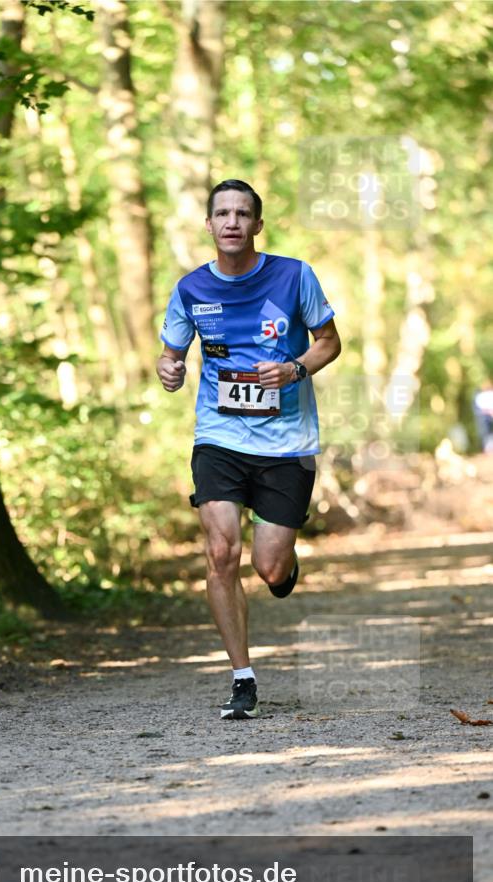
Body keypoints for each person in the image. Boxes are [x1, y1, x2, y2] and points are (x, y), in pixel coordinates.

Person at [156, 179, 341, 720]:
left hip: (287, 443)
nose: (232, 222)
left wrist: (294, 369)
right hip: (219, 438)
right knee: (220, 552)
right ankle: (242, 678)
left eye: (242, 214)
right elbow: (170, 355)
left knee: (268, 568)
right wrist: (168, 370)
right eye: (223, 213)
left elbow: (330, 342)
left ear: (258, 224)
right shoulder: (191, 289)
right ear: (209, 225)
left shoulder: (294, 275)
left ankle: (284, 567)